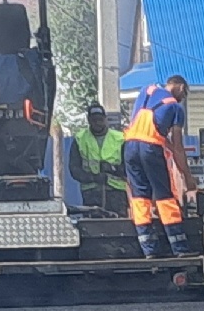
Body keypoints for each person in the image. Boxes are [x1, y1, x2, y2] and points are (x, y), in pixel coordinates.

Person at [119, 74, 192, 256]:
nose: (182, 99)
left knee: (139, 197)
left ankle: (149, 250)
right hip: (150, 150)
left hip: (129, 147)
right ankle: (179, 248)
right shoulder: (176, 108)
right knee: (164, 196)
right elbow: (177, 147)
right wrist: (188, 177)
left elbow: (149, 129)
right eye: (184, 95)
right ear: (181, 88)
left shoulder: (147, 90)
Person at [65, 102, 127, 216]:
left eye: (100, 119)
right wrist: (93, 177)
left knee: (119, 226)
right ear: (89, 120)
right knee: (94, 226)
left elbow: (129, 168)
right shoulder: (80, 139)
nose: (98, 123)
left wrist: (112, 169)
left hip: (116, 193)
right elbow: (74, 169)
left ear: (105, 119)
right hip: (91, 193)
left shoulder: (120, 138)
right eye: (94, 120)